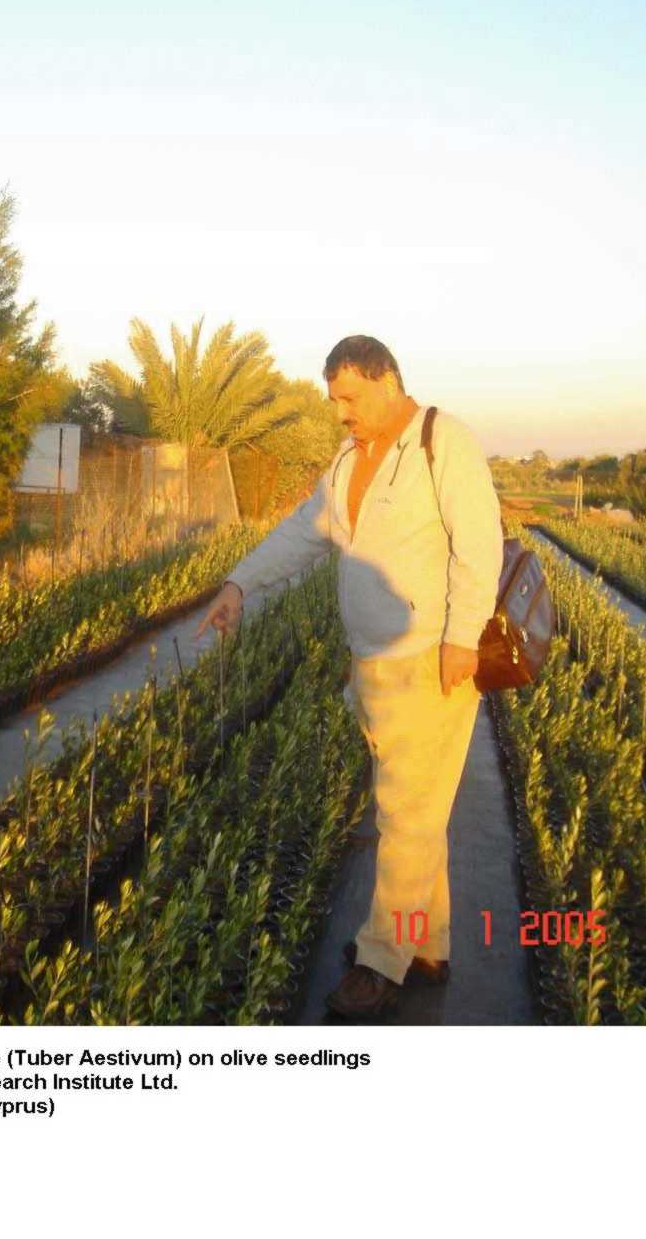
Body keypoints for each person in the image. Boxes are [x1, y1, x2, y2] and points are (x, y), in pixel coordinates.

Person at [196, 335, 501, 1020]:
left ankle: (380, 960)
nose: (341, 413)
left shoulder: (442, 443)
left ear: (388, 382)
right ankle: (426, 947)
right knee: (418, 815)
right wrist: (240, 583)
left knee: (404, 816)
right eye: (334, 400)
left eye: (350, 399)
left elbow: (479, 544)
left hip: (427, 660)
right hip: (372, 665)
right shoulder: (347, 461)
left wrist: (461, 638)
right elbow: (304, 532)